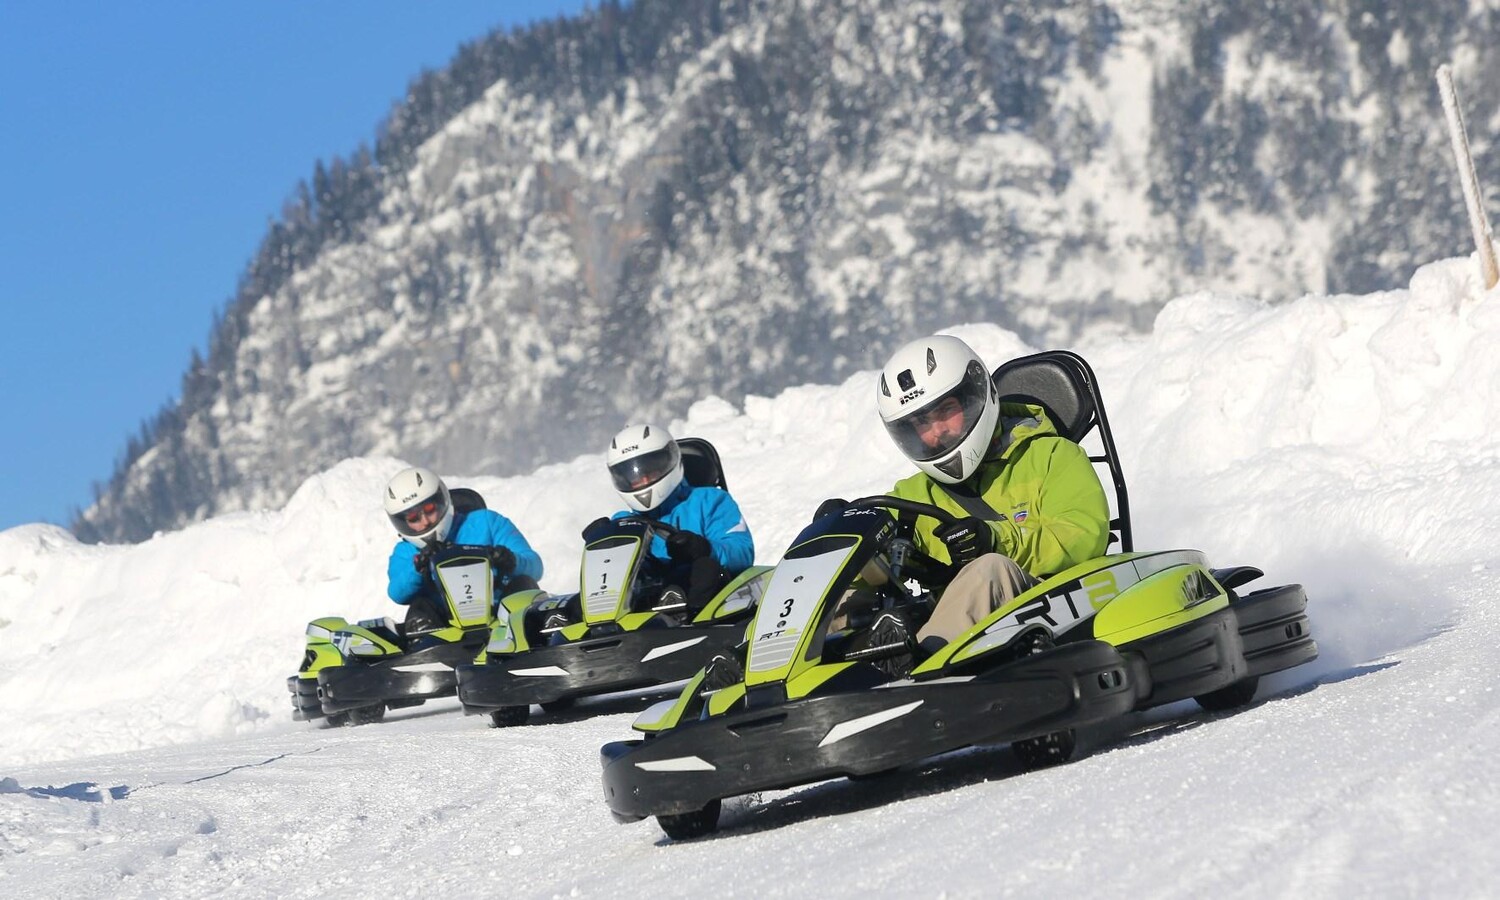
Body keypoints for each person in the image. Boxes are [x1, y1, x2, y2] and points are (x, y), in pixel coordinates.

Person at [825, 334, 1110, 656]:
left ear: (976, 394)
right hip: (965, 634)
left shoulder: (1052, 456)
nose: (936, 432)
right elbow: (871, 564)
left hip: (1053, 611)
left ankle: (917, 670)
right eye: (921, 423)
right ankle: (817, 676)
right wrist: (843, 536)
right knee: (841, 596)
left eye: (946, 411)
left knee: (990, 569)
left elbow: (1084, 534)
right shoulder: (913, 495)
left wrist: (995, 540)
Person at [591, 423, 754, 615]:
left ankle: (683, 613)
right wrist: (599, 543)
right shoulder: (623, 521)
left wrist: (704, 548)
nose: (643, 481)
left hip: (702, 598)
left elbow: (743, 552)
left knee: (706, 569)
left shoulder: (709, 500)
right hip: (643, 597)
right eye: (633, 476)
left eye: (649, 471)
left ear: (670, 460)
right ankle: (576, 618)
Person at [383, 465, 543, 634]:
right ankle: (427, 648)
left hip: (504, 620)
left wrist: (512, 560)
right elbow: (397, 593)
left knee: (524, 586)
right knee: (419, 608)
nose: (425, 522)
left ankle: (529, 637)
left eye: (429, 510)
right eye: (413, 518)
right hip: (445, 630)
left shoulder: (488, 522)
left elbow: (535, 566)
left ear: (442, 501)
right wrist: (418, 569)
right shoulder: (405, 551)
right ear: (401, 523)